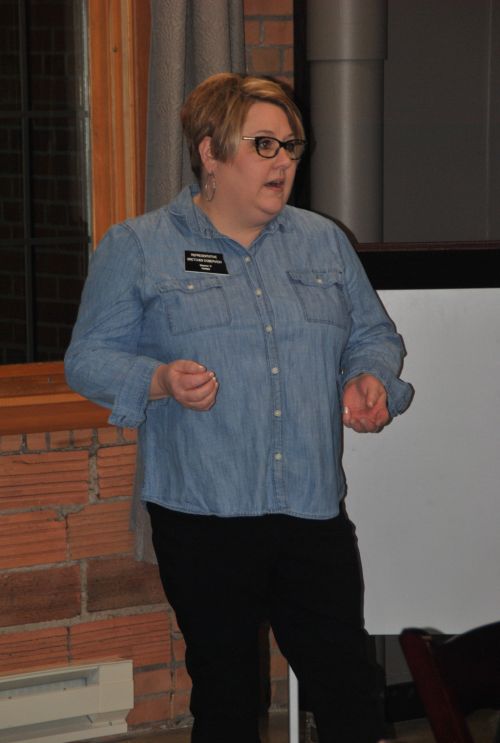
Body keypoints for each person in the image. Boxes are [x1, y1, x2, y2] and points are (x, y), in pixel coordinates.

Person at [65, 72, 412, 743]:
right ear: (210, 152)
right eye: (264, 144)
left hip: (310, 507)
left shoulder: (322, 242)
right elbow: (87, 359)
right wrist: (160, 378)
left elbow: (374, 335)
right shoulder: (139, 247)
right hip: (205, 513)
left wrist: (369, 377)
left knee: (348, 690)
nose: (284, 160)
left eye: (290, 145)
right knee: (226, 697)